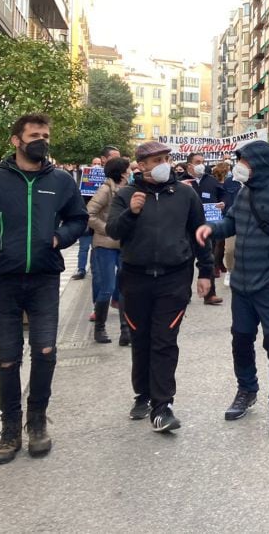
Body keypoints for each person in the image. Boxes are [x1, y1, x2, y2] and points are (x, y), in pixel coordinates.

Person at [0, 113, 88, 464]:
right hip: (3, 279)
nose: (41, 140)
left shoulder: (61, 180)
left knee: (45, 351)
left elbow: (79, 217)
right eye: (34, 135)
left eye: (45, 134)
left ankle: (37, 422)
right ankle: (10, 428)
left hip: (45, 277)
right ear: (16, 140)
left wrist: (62, 237)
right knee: (7, 357)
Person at [197, 141, 269, 437]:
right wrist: (210, 229)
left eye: (242, 160)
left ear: (256, 162)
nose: (238, 166)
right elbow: (231, 223)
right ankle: (246, 390)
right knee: (241, 341)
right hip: (242, 284)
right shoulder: (244, 192)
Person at [106, 141, 214, 433]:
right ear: (141, 165)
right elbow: (113, 230)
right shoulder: (127, 194)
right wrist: (132, 212)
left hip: (173, 279)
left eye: (167, 158)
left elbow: (199, 232)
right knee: (141, 341)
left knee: (165, 341)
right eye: (157, 160)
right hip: (136, 279)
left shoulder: (185, 193)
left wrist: (206, 272)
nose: (165, 163)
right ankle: (142, 394)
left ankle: (162, 406)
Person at [87, 157, 134, 345]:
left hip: (124, 245)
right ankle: (99, 328)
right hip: (105, 244)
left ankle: (125, 331)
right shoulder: (106, 189)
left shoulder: (129, 190)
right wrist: (106, 229)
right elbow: (88, 213)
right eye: (128, 169)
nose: (131, 171)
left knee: (125, 288)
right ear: (122, 172)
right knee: (106, 288)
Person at [179, 153, 225, 306]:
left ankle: (210, 294)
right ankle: (184, 294)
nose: (201, 165)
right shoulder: (180, 182)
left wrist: (222, 203)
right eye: (198, 162)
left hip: (206, 228)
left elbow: (222, 196)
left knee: (208, 259)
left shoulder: (211, 181)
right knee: (186, 261)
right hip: (186, 229)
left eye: (203, 162)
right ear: (189, 165)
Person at [72, 156, 103, 281]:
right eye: (94, 163)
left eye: (99, 164)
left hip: (98, 221)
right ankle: (81, 269)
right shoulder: (84, 182)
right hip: (86, 221)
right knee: (84, 247)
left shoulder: (104, 182)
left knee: (96, 248)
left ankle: (95, 268)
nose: (96, 166)